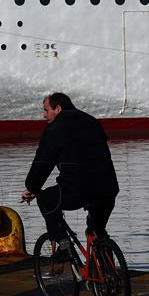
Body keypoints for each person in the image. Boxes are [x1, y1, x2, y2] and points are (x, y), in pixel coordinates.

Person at [21, 92, 119, 260]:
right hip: (108, 189)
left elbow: (43, 163)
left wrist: (32, 188)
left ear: (58, 108)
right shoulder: (92, 121)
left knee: (46, 199)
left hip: (77, 189)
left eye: (46, 110)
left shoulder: (55, 128)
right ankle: (109, 276)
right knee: (97, 229)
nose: (44, 115)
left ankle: (64, 245)